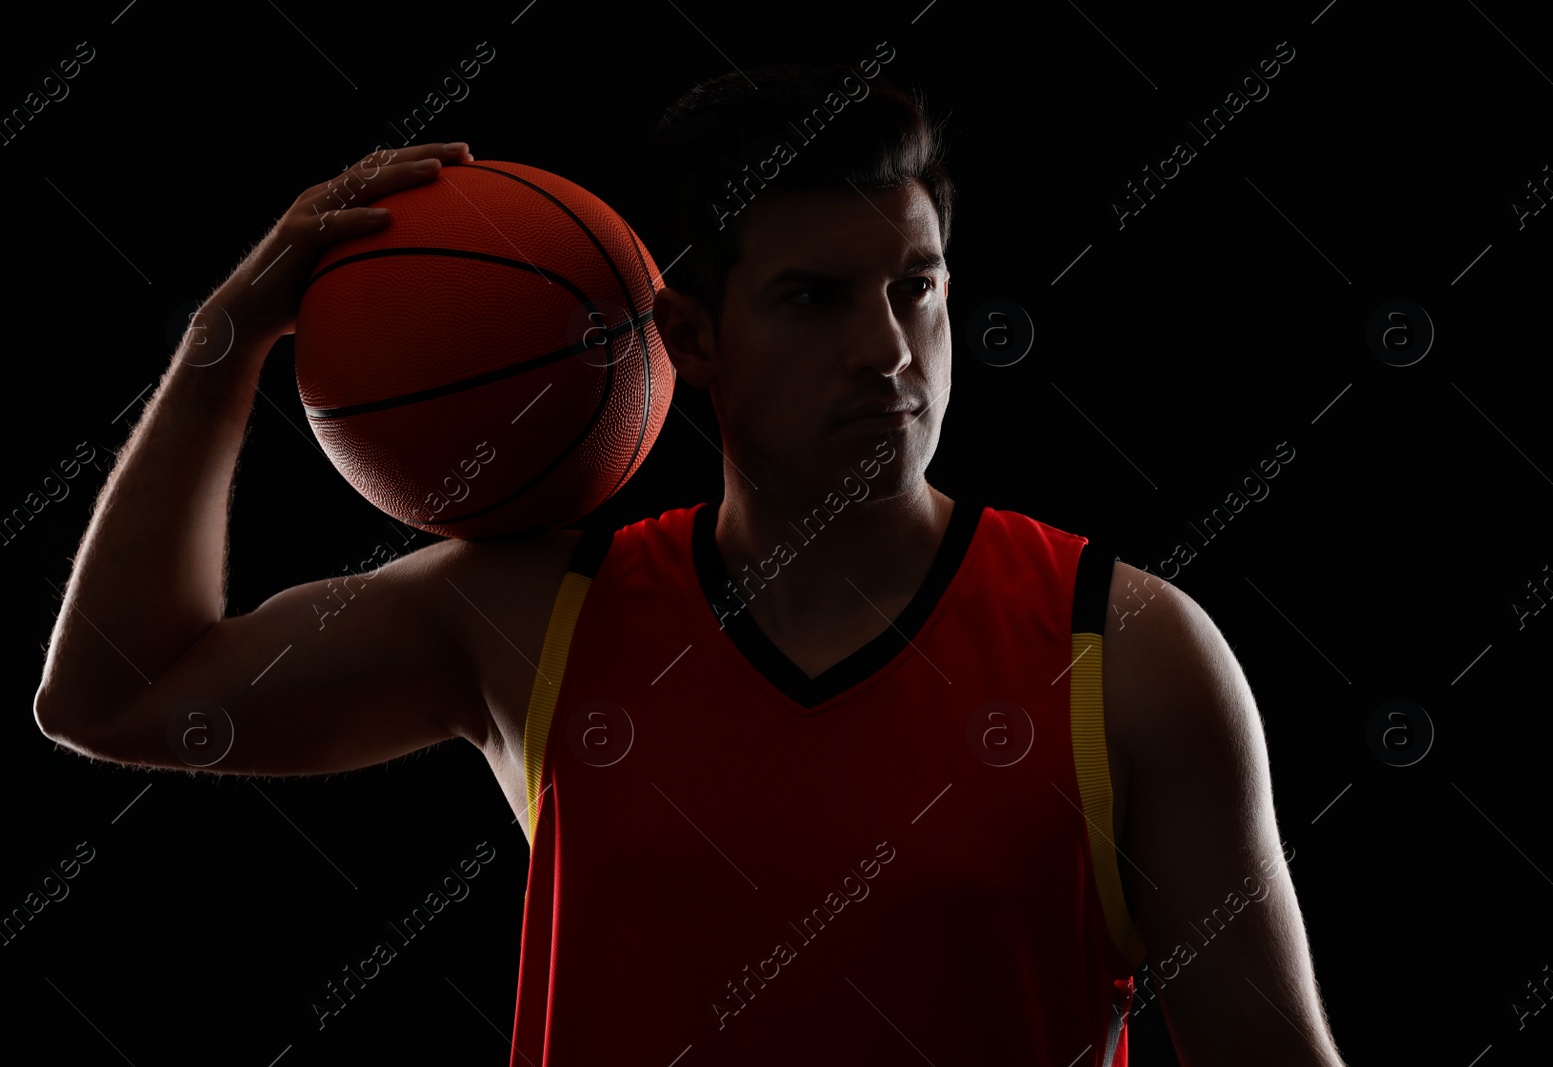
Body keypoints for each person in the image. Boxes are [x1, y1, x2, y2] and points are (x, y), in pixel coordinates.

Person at [33, 62, 1347, 1066]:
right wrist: (228, 336)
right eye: (814, 297)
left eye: (919, 288)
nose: (890, 350)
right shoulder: (531, 621)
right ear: (689, 336)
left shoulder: (1121, 650)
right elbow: (111, 695)